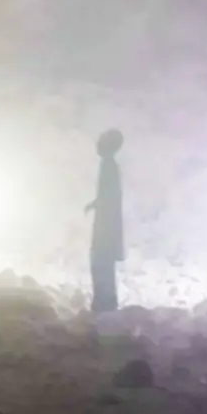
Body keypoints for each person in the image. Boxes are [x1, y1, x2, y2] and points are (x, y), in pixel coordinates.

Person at [84, 128, 125, 313]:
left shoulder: (109, 165)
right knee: (102, 263)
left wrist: (98, 204)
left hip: (106, 227)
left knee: (101, 262)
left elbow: (110, 196)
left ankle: (104, 304)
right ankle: (105, 303)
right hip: (106, 225)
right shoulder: (109, 165)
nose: (97, 143)